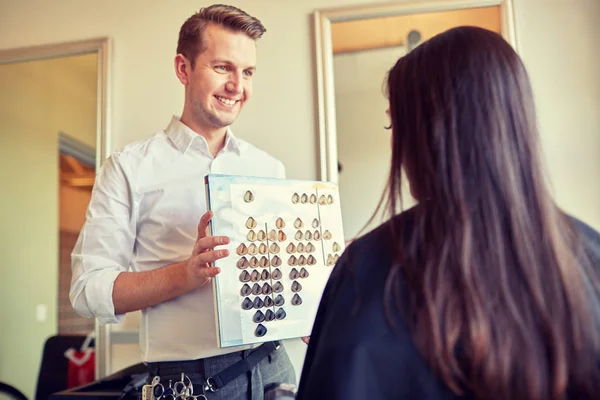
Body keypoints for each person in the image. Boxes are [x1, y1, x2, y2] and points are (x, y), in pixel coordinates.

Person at [297, 26, 600, 400]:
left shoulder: (368, 270)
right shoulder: (591, 253)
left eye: (395, 122)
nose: (395, 141)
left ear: (431, 130)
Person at [70, 5, 296, 399]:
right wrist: (186, 274)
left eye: (247, 72)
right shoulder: (128, 168)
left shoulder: (269, 168)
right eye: (223, 67)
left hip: (275, 368)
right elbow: (87, 290)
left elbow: (278, 275)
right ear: (183, 69)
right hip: (188, 385)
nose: (237, 86)